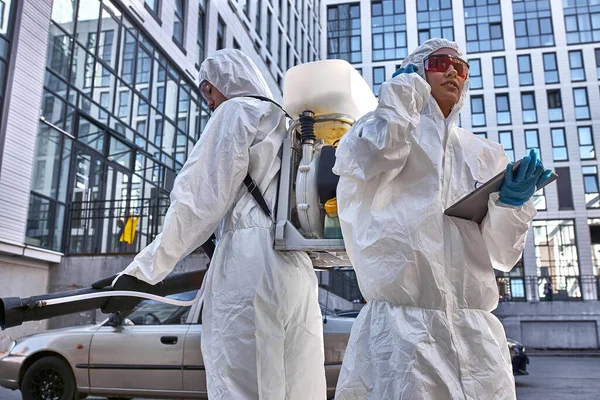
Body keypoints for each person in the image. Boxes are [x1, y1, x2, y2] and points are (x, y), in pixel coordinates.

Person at [332, 38, 551, 399]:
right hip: (403, 338)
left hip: (475, 338)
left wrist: (512, 206)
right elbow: (371, 160)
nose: (452, 71)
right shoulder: (375, 132)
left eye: (461, 68)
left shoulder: (484, 153)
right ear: (416, 72)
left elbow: (501, 255)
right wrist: (402, 97)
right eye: (439, 63)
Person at [101, 49, 326, 400]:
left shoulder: (235, 112)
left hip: (250, 264)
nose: (208, 99)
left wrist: (144, 272)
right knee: (297, 387)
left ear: (228, 79)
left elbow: (197, 199)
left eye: (209, 88)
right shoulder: (287, 123)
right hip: (295, 266)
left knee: (243, 385)